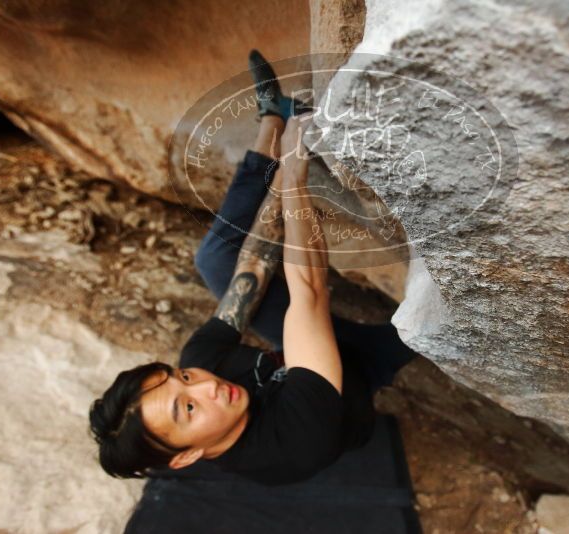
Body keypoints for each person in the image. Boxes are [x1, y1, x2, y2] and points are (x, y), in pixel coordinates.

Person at [89, 50, 417, 485]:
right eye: (188, 409)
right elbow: (309, 292)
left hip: (313, 341)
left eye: (182, 378)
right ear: (186, 457)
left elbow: (253, 267)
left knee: (214, 261)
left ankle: (273, 119)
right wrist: (296, 173)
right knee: (439, 310)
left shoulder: (201, 366)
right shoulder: (293, 444)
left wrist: (280, 167)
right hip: (361, 368)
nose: (205, 386)